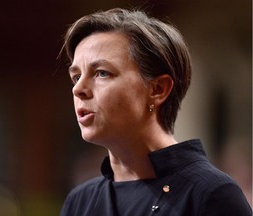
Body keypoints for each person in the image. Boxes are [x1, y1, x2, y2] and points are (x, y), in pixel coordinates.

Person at [58, 8, 252, 216]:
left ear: (158, 89)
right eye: (76, 76)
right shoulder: (81, 201)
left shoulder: (210, 195)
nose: (78, 89)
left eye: (102, 73)